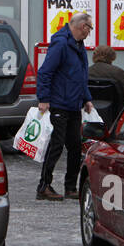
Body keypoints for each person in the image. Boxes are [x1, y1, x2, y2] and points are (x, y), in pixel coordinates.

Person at [35, 12, 95, 201]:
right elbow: (45, 72)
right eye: (89, 28)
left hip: (74, 103)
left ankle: (70, 187)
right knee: (56, 145)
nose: (89, 32)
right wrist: (44, 98)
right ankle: (44, 186)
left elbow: (80, 75)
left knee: (76, 146)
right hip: (60, 103)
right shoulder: (61, 44)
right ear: (82, 26)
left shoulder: (78, 45)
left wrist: (86, 98)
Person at [88, 45, 124, 122]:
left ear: (94, 56)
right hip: (114, 116)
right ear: (112, 57)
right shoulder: (119, 73)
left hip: (89, 114)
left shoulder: (86, 72)